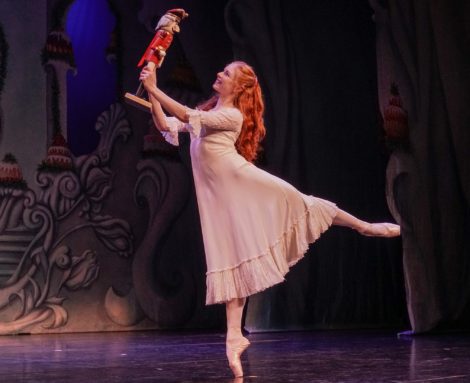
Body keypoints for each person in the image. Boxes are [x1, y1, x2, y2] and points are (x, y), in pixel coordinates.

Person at [139, 61, 400, 378]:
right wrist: (151, 93)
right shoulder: (205, 115)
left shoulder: (230, 116)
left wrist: (154, 87)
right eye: (221, 70)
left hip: (246, 185)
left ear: (238, 87)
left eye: (227, 73)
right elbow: (167, 125)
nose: (219, 74)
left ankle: (364, 227)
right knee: (235, 257)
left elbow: (182, 115)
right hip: (223, 200)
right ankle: (234, 336)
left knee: (302, 203)